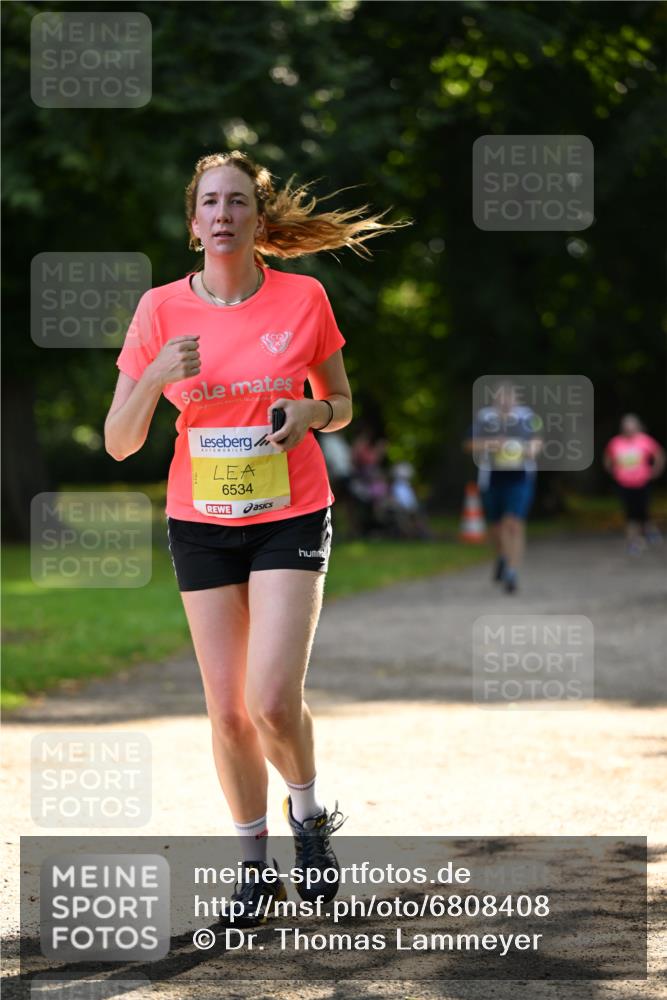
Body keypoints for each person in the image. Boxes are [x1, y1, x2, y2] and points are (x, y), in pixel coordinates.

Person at [104, 150, 409, 926]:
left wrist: (310, 414)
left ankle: (307, 821)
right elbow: (117, 442)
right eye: (209, 201)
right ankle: (252, 868)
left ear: (257, 217)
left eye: (237, 200)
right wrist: (151, 376)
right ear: (192, 221)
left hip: (290, 512)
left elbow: (339, 402)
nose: (223, 214)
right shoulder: (159, 311)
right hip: (200, 524)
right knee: (228, 712)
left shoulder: (304, 298)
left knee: (271, 699)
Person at [465, 382, 543, 593]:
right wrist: (493, 444)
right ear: (495, 401)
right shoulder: (485, 418)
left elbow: (537, 441)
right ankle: (502, 556)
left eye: (510, 399)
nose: (506, 403)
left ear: (516, 401)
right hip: (492, 478)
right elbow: (470, 443)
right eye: (501, 399)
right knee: (497, 529)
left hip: (519, 478)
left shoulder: (526, 418)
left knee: (513, 524)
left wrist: (528, 450)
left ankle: (511, 571)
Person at [603, 414, 665, 554]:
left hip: (642, 482)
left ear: (637, 427)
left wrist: (655, 471)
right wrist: (613, 471)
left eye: (632, 426)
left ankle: (649, 530)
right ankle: (634, 541)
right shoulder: (615, 442)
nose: (629, 429)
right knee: (630, 513)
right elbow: (607, 458)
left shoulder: (645, 441)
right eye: (626, 426)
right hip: (624, 483)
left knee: (642, 510)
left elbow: (659, 455)